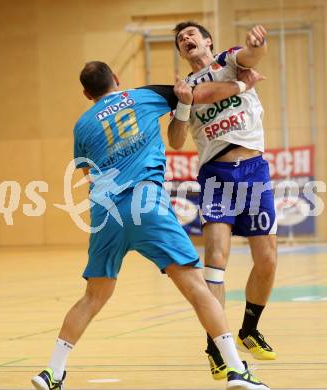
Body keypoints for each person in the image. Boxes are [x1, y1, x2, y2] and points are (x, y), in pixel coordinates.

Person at [31, 61, 269, 390]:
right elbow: (196, 94)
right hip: (147, 205)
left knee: (93, 297)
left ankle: (52, 372)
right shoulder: (143, 96)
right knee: (198, 289)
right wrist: (242, 86)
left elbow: (87, 173)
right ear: (116, 79)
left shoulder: (82, 125)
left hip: (106, 215)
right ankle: (235, 368)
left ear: (87, 94)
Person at [169, 22, 277, 381]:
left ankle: (249, 328)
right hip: (216, 174)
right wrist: (182, 105)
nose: (185, 40)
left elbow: (252, 56)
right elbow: (177, 139)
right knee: (215, 263)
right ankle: (216, 347)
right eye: (180, 39)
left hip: (255, 171)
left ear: (207, 41)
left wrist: (255, 45)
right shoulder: (185, 88)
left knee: (267, 260)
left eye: (191, 35)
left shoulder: (229, 61)